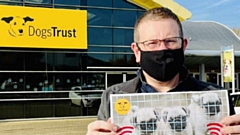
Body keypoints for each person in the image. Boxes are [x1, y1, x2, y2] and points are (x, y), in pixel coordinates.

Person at [86, 7, 235, 135]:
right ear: (137, 51)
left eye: (170, 41)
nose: (162, 49)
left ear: (183, 46)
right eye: (152, 43)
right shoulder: (113, 96)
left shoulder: (216, 96)